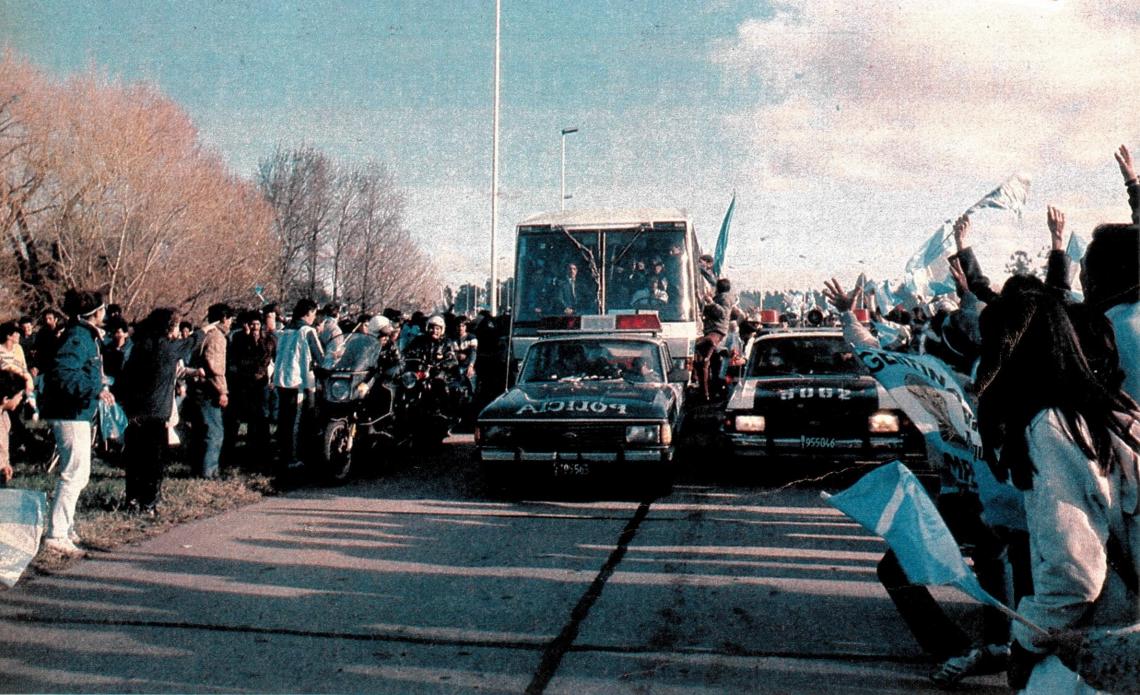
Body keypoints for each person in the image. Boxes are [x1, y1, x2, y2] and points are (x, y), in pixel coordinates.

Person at [974, 275, 1140, 692]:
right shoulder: (1109, 408)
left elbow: (1075, 571)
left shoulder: (1049, 427)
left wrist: (1027, 641)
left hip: (1088, 640)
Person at [39, 289, 112, 557]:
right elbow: (62, 374)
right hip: (69, 413)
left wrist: (99, 386)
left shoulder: (83, 336)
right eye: (102, 309)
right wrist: (93, 390)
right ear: (94, 313)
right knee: (73, 473)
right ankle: (56, 534)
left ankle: (65, 527)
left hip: (76, 412)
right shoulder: (79, 337)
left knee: (79, 474)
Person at [113, 308, 202, 513]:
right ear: (169, 327)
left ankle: (132, 500)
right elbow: (191, 342)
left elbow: (125, 379)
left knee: (135, 460)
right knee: (153, 462)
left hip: (134, 413)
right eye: (177, 326)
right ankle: (148, 503)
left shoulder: (138, 346)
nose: (179, 331)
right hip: (155, 413)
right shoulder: (166, 348)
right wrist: (205, 330)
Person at [273, 298, 323, 470]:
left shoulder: (285, 330)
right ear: (309, 312)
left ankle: (284, 454)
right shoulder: (307, 331)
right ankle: (293, 458)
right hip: (300, 381)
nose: (314, 317)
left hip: (281, 380)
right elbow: (321, 357)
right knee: (298, 421)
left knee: (284, 420)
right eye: (314, 314)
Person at [187, 303, 234, 479]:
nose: (230, 323)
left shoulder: (202, 334)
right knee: (214, 432)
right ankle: (209, 473)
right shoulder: (217, 337)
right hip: (209, 389)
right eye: (230, 319)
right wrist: (222, 390)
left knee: (199, 432)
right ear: (224, 318)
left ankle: (198, 470)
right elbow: (215, 365)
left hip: (196, 387)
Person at [224, 310, 274, 466]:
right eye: (252, 324)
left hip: (261, 382)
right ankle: (237, 451)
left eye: (257, 324)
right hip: (244, 383)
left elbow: (266, 358)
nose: (255, 327)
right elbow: (237, 359)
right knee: (241, 416)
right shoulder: (239, 338)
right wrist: (248, 340)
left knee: (261, 417)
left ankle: (261, 450)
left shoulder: (268, 339)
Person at [0, 370, 27, 485]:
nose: (21, 399)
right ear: (6, 399)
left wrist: (6, 463)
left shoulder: (5, 416)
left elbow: (3, 447)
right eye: (19, 396)